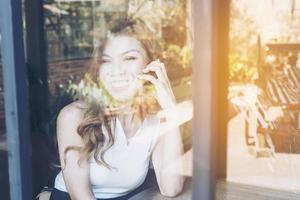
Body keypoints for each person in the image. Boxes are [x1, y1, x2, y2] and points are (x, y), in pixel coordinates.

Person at [49, 18, 185, 200]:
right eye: (106, 60)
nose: (117, 70)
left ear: (150, 64)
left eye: (129, 58)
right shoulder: (74, 116)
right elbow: (81, 197)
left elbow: (171, 187)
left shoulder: (155, 120)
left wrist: (171, 109)